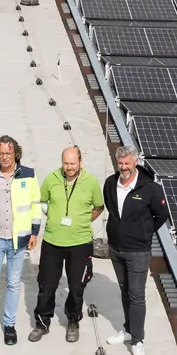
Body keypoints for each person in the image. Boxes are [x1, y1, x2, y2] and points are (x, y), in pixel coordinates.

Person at [102, 145, 169, 355]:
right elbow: (111, 208)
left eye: (127, 163)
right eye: (120, 163)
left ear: (135, 162)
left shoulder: (150, 188)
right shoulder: (111, 183)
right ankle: (129, 329)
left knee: (137, 295)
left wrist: (144, 232)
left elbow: (161, 215)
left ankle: (138, 342)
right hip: (116, 248)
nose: (124, 167)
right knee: (124, 289)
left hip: (138, 250)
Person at [0, 135, 42, 345]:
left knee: (13, 283)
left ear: (15, 154)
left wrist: (34, 232)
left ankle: (9, 325)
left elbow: (35, 205)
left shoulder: (28, 175)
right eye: (1, 153)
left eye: (8, 153)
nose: (4, 157)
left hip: (17, 240)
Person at [30, 145, 103, 343]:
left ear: (80, 162)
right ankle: (42, 322)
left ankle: (73, 320)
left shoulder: (90, 182)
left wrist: (83, 221)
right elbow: (42, 201)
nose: (69, 167)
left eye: (72, 163)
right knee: (46, 285)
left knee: (76, 286)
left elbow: (98, 207)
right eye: (65, 163)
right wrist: (54, 217)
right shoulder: (52, 178)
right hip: (53, 241)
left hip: (80, 243)